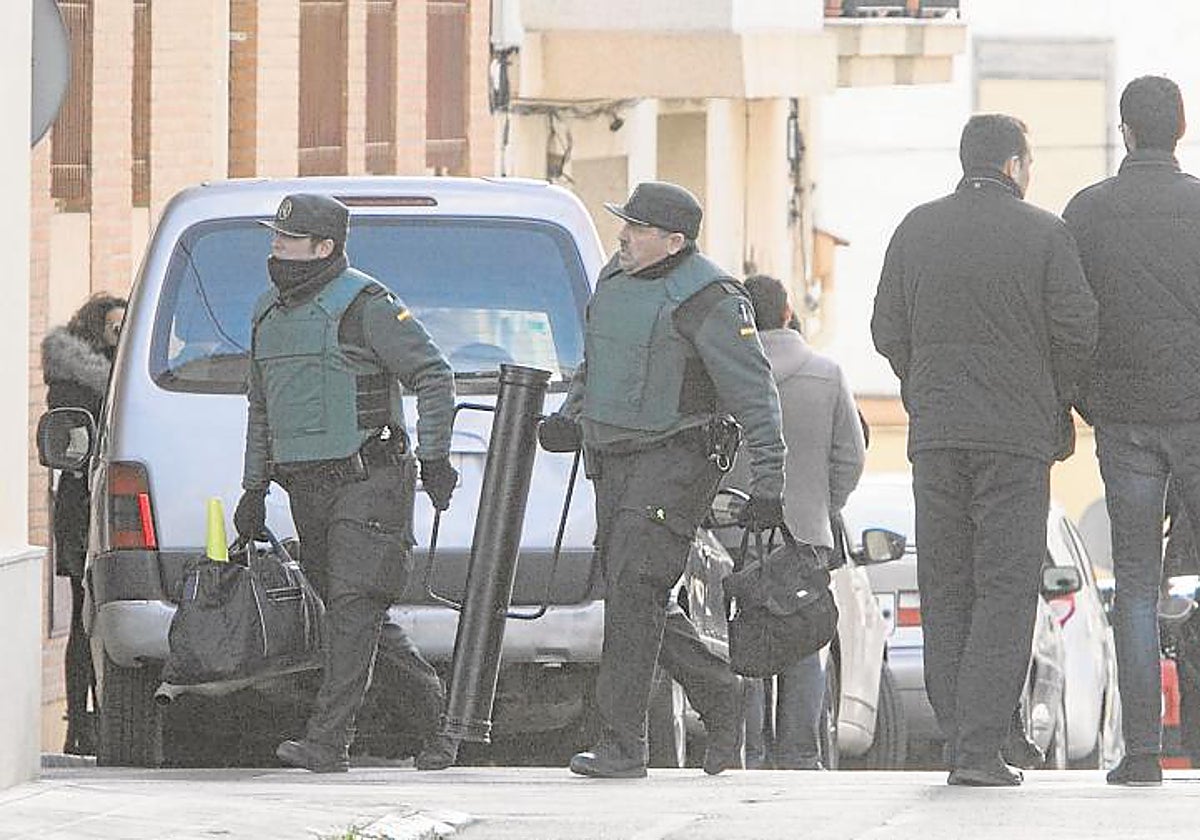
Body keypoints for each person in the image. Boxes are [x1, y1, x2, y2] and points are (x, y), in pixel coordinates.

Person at [871, 114, 1098, 786]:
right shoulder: (1046, 234)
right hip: (1015, 441)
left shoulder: (916, 227)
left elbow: (887, 326)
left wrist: (922, 385)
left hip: (937, 437)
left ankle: (964, 732)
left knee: (945, 584)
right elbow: (1079, 328)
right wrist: (1048, 394)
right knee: (1004, 587)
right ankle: (979, 745)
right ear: (1013, 166)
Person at [538, 181, 787, 778]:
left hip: (675, 461)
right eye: (625, 225)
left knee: (636, 586)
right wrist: (571, 415)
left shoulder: (710, 299)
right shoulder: (613, 281)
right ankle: (721, 695)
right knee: (634, 590)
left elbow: (757, 395)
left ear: (674, 241)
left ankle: (624, 744)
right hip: (613, 461)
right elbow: (596, 364)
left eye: (637, 229)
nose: (623, 236)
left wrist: (770, 482)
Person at [234, 193, 458, 773]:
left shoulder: (367, 305)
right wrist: (253, 489)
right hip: (305, 488)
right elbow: (261, 409)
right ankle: (444, 725)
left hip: (370, 482)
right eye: (275, 239)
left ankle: (328, 741)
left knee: (355, 609)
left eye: (287, 241)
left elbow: (433, 375)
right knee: (355, 617)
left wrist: (435, 457)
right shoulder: (268, 314)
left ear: (323, 248)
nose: (275, 250)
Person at [1062, 75, 1200, 786]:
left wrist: (1090, 401)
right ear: (1180, 128)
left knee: (1139, 586)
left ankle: (1142, 750)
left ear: (1126, 130)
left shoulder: (1087, 212)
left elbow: (1069, 318)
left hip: (1124, 420)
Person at [733, 274, 865, 771]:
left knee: (742, 637)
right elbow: (850, 456)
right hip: (806, 533)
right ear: (788, 313)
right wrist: (821, 505)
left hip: (737, 530)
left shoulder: (723, 374)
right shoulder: (826, 374)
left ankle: (748, 751)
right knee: (803, 639)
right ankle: (801, 754)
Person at [42, 293, 127, 755]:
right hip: (81, 499)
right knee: (82, 613)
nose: (121, 336)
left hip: (96, 497)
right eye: (115, 329)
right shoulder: (80, 381)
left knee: (101, 612)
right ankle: (81, 720)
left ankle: (99, 716)